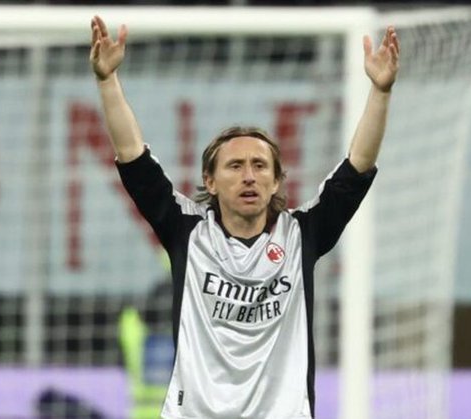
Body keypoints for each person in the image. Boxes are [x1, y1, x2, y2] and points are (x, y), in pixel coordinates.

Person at [90, 15, 399, 419]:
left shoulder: (301, 234)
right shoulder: (186, 230)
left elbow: (357, 166)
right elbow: (133, 156)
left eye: (260, 166)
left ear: (277, 181)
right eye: (235, 166)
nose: (249, 176)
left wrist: (380, 91)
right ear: (210, 181)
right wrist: (107, 81)